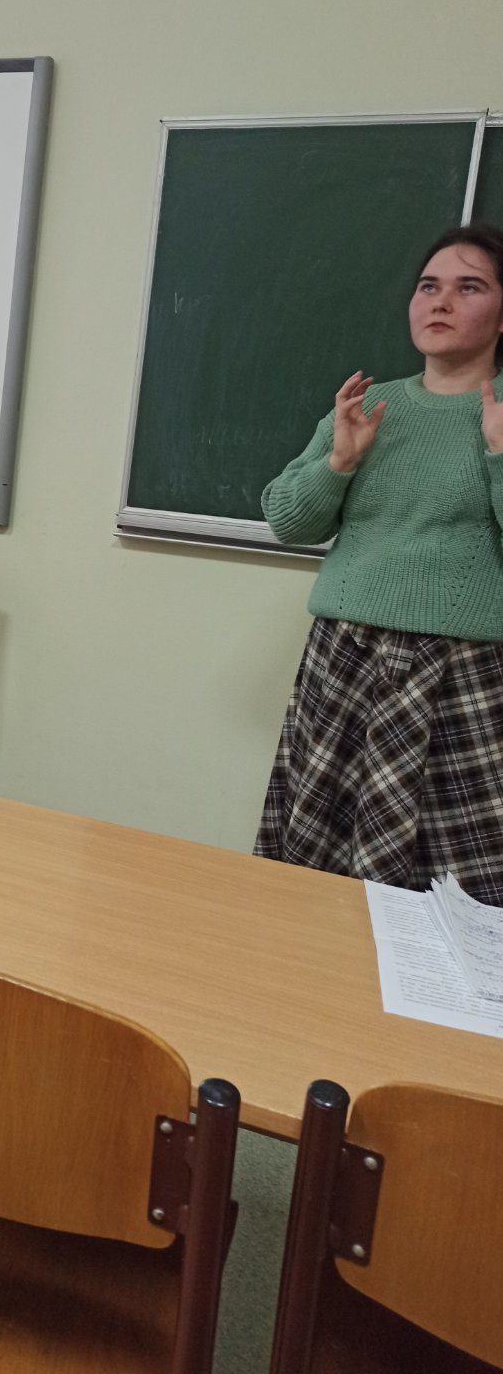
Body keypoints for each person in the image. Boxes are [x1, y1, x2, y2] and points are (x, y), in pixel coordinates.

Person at [256, 222, 503, 907]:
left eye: (469, 287)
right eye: (428, 286)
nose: (440, 301)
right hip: (344, 656)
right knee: (316, 865)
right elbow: (289, 521)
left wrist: (498, 455)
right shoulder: (367, 407)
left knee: (459, 883)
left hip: (462, 672)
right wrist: (338, 461)